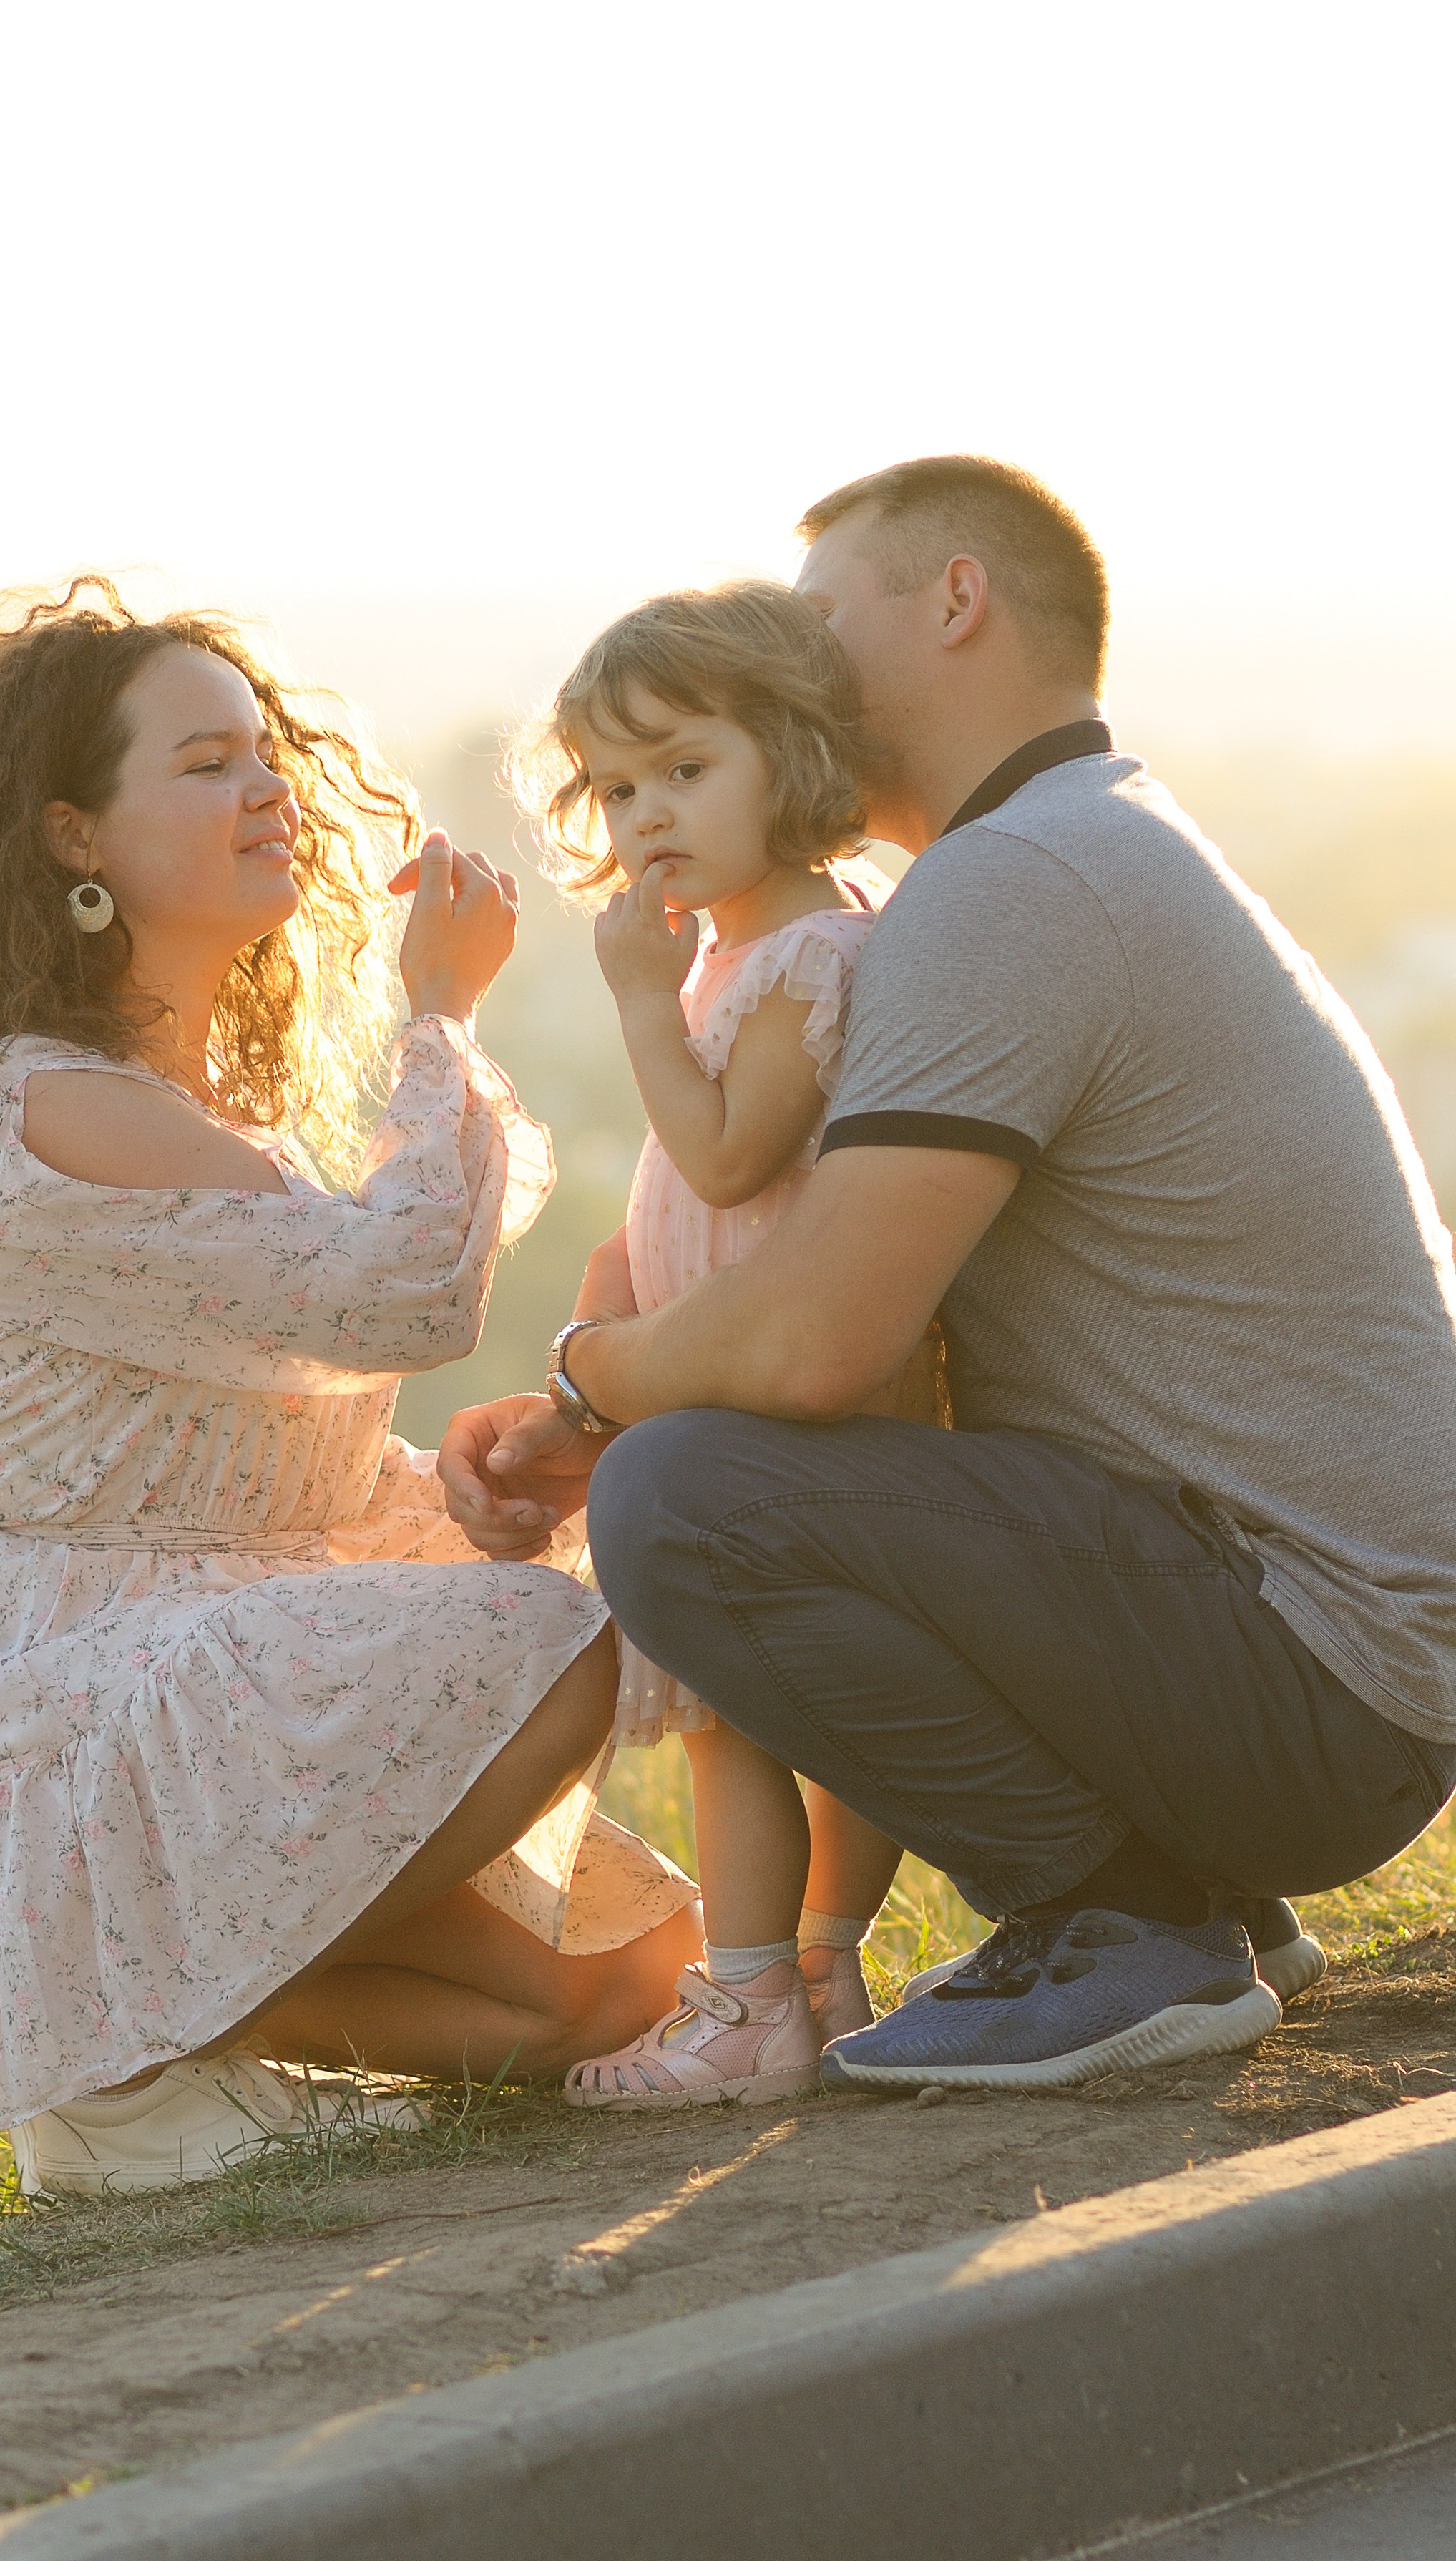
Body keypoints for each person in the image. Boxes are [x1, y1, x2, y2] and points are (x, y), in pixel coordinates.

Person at [0, 580, 697, 2192]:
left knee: (628, 1982)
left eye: (264, 752)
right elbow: (410, 1291)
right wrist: (439, 1012)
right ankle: (120, 2061)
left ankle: (141, 2052)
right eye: (204, 763)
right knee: (557, 1643)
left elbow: (209, 1462)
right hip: (26, 1703)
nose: (266, 787)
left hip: (154, 1667)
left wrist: (445, 1491)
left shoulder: (170, 1104)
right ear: (73, 836)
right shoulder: (42, 1104)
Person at [440, 456, 1456, 2097]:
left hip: (1318, 1681)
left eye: (820, 618)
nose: (792, 659)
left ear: (957, 601)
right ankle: (1184, 1892)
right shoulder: (1063, 848)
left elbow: (818, 1342)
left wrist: (587, 1391)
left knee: (684, 1500)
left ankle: (1125, 1922)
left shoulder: (1014, 885)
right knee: (714, 1461)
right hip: (1337, 1660)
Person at [510, 580, 935, 2107]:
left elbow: (728, 1157)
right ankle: (814, 1969)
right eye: (617, 789)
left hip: (767, 1403)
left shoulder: (800, 953)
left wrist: (636, 1006)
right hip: (718, 1377)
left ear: (793, 756)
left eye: (686, 771)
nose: (645, 816)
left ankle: (751, 1999)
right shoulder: (750, 943)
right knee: (773, 1709)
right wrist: (614, 1296)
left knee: (732, 1716)